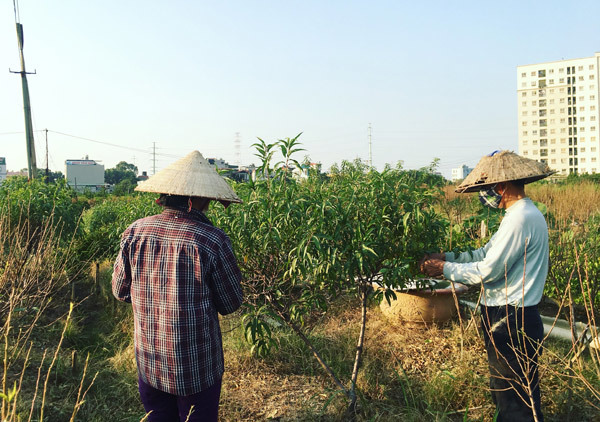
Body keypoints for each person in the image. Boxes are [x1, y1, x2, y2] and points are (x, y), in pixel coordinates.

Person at [420, 150, 555, 422]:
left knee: (514, 397)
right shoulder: (519, 215)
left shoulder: (520, 218)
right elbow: (485, 254)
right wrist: (449, 258)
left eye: (488, 188)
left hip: (512, 317)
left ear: (501, 187)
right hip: (506, 314)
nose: (486, 196)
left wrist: (443, 269)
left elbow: (490, 271)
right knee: (508, 390)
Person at [112, 151, 244, 422]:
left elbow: (120, 291)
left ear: (164, 197)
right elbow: (231, 303)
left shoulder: (135, 232)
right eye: (208, 199)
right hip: (196, 367)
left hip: (151, 360)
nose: (210, 204)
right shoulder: (212, 241)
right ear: (194, 200)